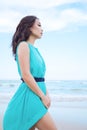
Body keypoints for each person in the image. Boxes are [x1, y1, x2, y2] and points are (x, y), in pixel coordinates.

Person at [3, 15, 57, 130]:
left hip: (37, 95)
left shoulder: (36, 50)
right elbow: (26, 75)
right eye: (38, 25)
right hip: (29, 97)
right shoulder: (23, 46)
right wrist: (42, 96)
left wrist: (47, 94)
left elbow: (40, 77)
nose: (42, 29)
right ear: (29, 28)